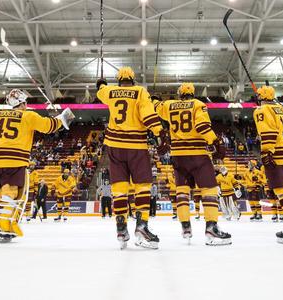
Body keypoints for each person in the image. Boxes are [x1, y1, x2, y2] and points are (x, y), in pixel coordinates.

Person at [0, 89, 74, 243]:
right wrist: (61, 118)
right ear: (24, 103)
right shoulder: (28, 115)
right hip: (14, 160)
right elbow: (48, 126)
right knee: (10, 193)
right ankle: (3, 226)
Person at [96, 66, 166, 249]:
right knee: (142, 186)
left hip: (114, 147)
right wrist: (159, 132)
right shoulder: (140, 91)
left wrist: (101, 84)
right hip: (136, 146)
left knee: (119, 188)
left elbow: (101, 92)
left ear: (118, 80)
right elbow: (148, 114)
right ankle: (141, 226)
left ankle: (121, 227)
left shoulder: (110, 91)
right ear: (133, 79)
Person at [152, 82, 230, 245]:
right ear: (193, 93)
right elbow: (202, 127)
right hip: (198, 155)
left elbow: (156, 106)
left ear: (180, 93)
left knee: (182, 192)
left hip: (179, 156)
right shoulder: (198, 104)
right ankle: (211, 227)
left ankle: (185, 227)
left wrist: (154, 100)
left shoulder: (169, 105)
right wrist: (215, 141)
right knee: (209, 190)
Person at [253, 85, 283, 244]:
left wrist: (267, 151)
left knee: (282, 192)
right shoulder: (278, 109)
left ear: (261, 97)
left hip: (277, 154)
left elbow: (268, 131)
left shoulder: (261, 110)